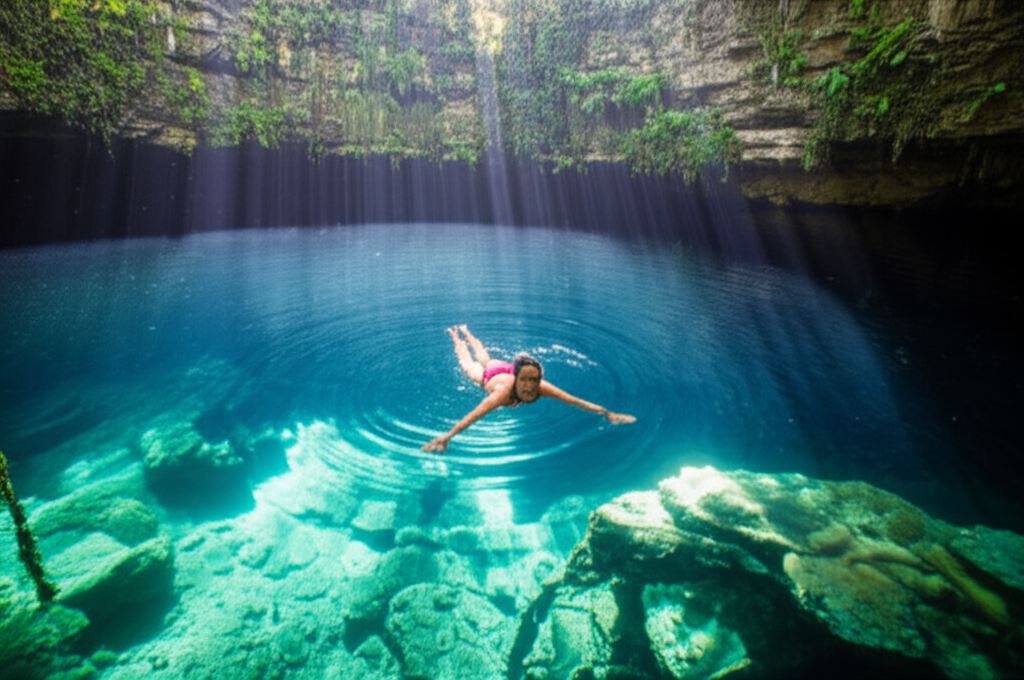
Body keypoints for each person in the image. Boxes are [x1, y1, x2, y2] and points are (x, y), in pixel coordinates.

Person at [422, 325, 636, 453]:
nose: (528, 386)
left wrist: (607, 413)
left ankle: (467, 331)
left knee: (485, 355)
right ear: (517, 379)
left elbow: (575, 401)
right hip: (492, 376)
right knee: (470, 364)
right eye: (524, 380)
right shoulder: (501, 395)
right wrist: (448, 436)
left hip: (506, 368)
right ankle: (456, 336)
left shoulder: (541, 387)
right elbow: (473, 416)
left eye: (533, 380)